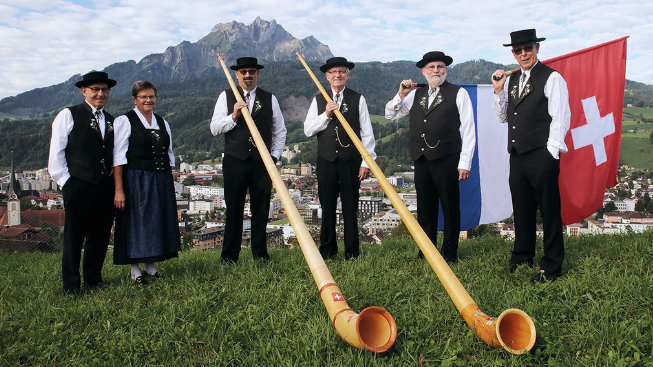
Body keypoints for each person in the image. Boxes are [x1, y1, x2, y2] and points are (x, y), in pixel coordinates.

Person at [491, 29, 571, 283]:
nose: (523, 53)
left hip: (542, 154)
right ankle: (522, 256)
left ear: (537, 48)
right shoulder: (512, 81)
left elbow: (561, 118)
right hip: (517, 155)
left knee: (549, 210)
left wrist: (551, 153)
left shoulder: (552, 78)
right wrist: (498, 90)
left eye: (528, 48)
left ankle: (552, 266)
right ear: (513, 54)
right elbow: (503, 117)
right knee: (522, 208)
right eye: (518, 50)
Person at [385, 51, 476, 264]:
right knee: (425, 209)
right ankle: (426, 253)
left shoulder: (458, 92)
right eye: (432, 67)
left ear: (446, 70)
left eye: (440, 67)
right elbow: (390, 114)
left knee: (450, 207)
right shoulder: (415, 94)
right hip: (422, 159)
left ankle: (450, 255)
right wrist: (401, 94)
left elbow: (469, 130)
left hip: (447, 158)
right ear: (424, 71)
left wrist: (465, 162)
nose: (436, 70)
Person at [210, 57, 286, 263]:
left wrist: (274, 157)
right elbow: (214, 128)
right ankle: (229, 257)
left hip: (262, 163)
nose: (247, 75)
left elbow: (280, 131)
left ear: (258, 74)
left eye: (251, 71)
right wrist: (233, 116)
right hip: (235, 161)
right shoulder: (226, 97)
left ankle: (260, 255)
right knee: (233, 210)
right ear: (236, 74)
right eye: (243, 72)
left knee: (261, 210)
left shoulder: (270, 99)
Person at [48, 71, 117, 296]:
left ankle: (93, 279)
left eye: (104, 90)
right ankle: (71, 285)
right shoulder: (68, 115)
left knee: (99, 235)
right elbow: (56, 153)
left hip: (104, 186)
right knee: (74, 237)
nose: (100, 93)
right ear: (84, 91)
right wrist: (66, 182)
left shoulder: (112, 120)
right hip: (78, 184)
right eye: (95, 89)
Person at [304, 57, 377, 260]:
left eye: (342, 71)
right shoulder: (319, 99)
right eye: (333, 72)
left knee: (350, 207)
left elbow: (367, 134)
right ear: (327, 76)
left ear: (347, 75)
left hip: (351, 161)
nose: (338, 75)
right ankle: (328, 252)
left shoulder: (357, 99)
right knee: (326, 207)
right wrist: (325, 115)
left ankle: (352, 253)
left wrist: (366, 162)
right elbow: (308, 129)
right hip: (326, 161)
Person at [113, 81, 180, 284]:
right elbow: (118, 157)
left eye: (151, 96)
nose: (148, 100)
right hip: (135, 179)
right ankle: (135, 271)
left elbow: (169, 153)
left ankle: (150, 267)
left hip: (159, 179)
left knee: (155, 223)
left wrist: (168, 179)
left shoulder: (162, 122)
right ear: (134, 99)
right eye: (143, 97)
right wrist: (119, 189)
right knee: (136, 223)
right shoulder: (125, 121)